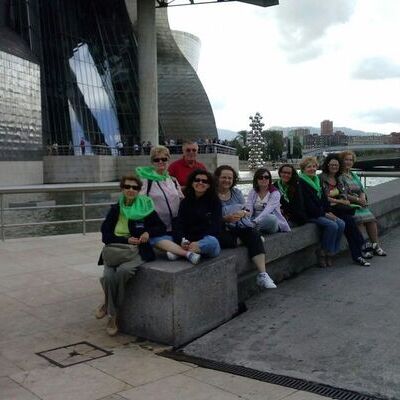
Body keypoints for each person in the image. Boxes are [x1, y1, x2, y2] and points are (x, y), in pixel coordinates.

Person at [96, 174, 167, 336]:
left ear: (139, 190)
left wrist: (148, 232)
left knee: (123, 272)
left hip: (136, 252)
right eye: (127, 187)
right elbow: (105, 235)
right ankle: (111, 308)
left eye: (134, 187)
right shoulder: (116, 209)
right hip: (115, 250)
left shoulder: (145, 208)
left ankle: (111, 313)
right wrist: (126, 239)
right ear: (122, 189)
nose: (130, 190)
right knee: (108, 276)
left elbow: (161, 227)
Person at [215, 165, 276, 289]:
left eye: (230, 178)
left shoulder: (236, 192)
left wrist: (242, 213)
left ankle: (263, 274)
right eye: (224, 177)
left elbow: (246, 209)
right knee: (251, 238)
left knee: (252, 234)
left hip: (239, 226)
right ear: (217, 178)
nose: (227, 180)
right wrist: (226, 218)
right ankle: (253, 239)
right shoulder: (212, 195)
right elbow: (209, 217)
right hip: (221, 228)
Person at [136, 146, 200, 264]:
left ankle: (175, 251)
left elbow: (182, 200)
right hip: (158, 227)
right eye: (156, 159)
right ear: (152, 162)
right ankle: (181, 252)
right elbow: (139, 203)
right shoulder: (146, 181)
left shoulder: (173, 180)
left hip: (175, 226)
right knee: (158, 240)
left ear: (168, 160)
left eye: (164, 159)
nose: (161, 162)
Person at [319, 154, 370, 266]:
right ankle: (361, 247)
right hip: (329, 208)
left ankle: (358, 255)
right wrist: (341, 201)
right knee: (350, 223)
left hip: (340, 209)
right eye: (332, 164)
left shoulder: (339, 178)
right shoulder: (322, 178)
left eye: (336, 165)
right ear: (327, 165)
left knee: (349, 224)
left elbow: (344, 194)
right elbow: (325, 197)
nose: (334, 167)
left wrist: (341, 200)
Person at [298, 156, 345, 267]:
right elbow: (309, 205)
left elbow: (324, 199)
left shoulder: (316, 180)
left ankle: (331, 252)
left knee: (342, 224)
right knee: (332, 226)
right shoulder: (301, 182)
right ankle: (323, 252)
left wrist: (329, 211)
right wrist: (325, 214)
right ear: (303, 169)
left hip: (321, 212)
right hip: (310, 214)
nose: (312, 169)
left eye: (314, 166)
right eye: (309, 167)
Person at [339, 151, 386, 256]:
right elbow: (343, 193)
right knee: (359, 221)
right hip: (349, 205)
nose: (348, 162)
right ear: (341, 161)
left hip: (359, 203)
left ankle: (376, 246)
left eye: (351, 160)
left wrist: (362, 197)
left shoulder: (353, 175)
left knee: (371, 220)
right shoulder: (339, 176)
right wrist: (358, 200)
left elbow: (361, 190)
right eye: (346, 159)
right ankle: (363, 248)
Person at [174, 169, 221, 258]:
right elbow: (179, 224)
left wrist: (198, 243)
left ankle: (182, 252)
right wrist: (183, 240)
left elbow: (216, 226)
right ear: (192, 183)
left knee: (212, 241)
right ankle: (189, 252)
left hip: (206, 241)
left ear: (208, 186)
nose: (200, 182)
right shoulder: (185, 202)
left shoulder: (215, 202)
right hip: (189, 240)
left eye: (204, 181)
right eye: (197, 180)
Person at [245, 167, 290, 234]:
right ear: (256, 179)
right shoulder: (253, 191)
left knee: (271, 219)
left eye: (266, 177)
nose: (264, 179)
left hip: (270, 221)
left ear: (269, 179)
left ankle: (251, 229)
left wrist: (254, 222)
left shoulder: (275, 193)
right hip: (254, 219)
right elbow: (249, 207)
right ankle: (254, 230)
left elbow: (268, 210)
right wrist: (247, 217)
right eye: (260, 177)